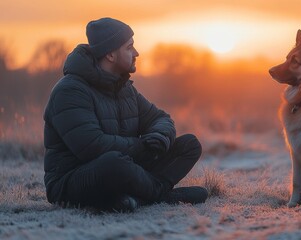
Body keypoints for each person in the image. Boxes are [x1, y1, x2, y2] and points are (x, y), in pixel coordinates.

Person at [43, 17, 208, 212]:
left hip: (126, 166)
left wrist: (158, 138)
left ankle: (134, 197)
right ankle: (162, 195)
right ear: (111, 55)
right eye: (129, 47)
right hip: (73, 180)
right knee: (113, 163)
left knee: (189, 145)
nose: (136, 52)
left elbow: (160, 118)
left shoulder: (124, 88)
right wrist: (142, 146)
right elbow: (92, 146)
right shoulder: (70, 91)